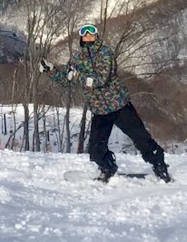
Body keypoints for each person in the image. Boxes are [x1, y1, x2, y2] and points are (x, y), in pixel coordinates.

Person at [39, 23, 171, 182]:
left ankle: (160, 166)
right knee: (95, 150)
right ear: (81, 37)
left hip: (119, 105)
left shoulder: (105, 53)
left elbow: (101, 79)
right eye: (84, 32)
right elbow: (68, 82)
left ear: (96, 35)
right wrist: (51, 71)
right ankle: (108, 167)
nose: (88, 35)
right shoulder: (77, 58)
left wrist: (77, 76)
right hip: (100, 109)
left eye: (91, 32)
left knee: (142, 140)